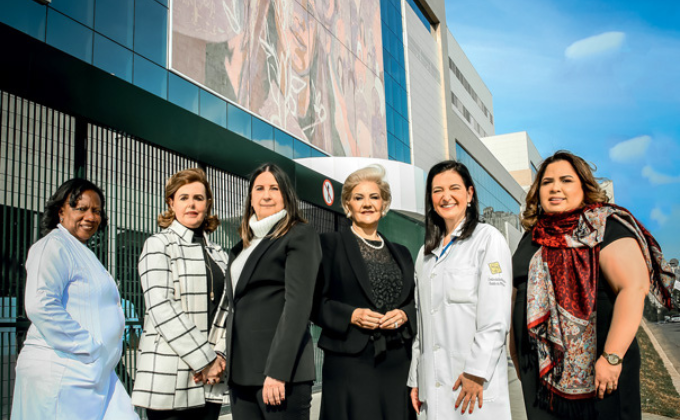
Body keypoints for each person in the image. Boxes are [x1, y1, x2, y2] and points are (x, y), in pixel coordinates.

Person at [510, 151, 676, 420]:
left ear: (584, 187)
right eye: (546, 182)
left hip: (600, 370)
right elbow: (516, 297)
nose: (555, 188)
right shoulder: (530, 239)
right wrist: (517, 356)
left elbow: (633, 288)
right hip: (541, 372)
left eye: (566, 180)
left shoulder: (605, 226)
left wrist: (612, 358)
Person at [11, 179, 139, 420]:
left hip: (92, 371)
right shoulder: (52, 246)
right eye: (81, 208)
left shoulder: (80, 250)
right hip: (64, 371)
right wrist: (88, 348)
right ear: (61, 211)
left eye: (96, 210)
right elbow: (41, 304)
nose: (90, 216)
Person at [408, 160, 512, 419]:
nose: (445, 197)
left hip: (473, 384)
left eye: (454, 188)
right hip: (433, 386)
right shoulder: (426, 254)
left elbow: (496, 318)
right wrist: (416, 378)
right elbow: (422, 325)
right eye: (437, 190)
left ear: (469, 193)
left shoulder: (488, 240)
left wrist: (477, 372)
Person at [314, 164, 416, 420]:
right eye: (358, 198)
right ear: (348, 205)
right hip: (350, 362)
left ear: (384, 204)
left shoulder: (402, 252)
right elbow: (315, 303)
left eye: (374, 197)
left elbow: (417, 302)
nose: (367, 204)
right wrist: (351, 315)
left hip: (397, 362)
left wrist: (405, 315)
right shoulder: (329, 245)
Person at [132, 168, 230, 420]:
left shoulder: (220, 255)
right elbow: (161, 307)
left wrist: (220, 356)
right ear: (171, 202)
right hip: (169, 377)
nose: (192, 204)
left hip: (211, 380)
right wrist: (205, 359)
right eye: (183, 197)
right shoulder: (158, 244)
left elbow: (231, 311)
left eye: (198, 197)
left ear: (208, 204)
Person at [227, 163, 321, 419]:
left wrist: (278, 371)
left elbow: (297, 306)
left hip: (279, 376)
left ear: (286, 196)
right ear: (250, 197)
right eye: (259, 188)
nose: (266, 195)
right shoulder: (241, 248)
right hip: (241, 376)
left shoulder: (299, 234)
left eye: (274, 188)